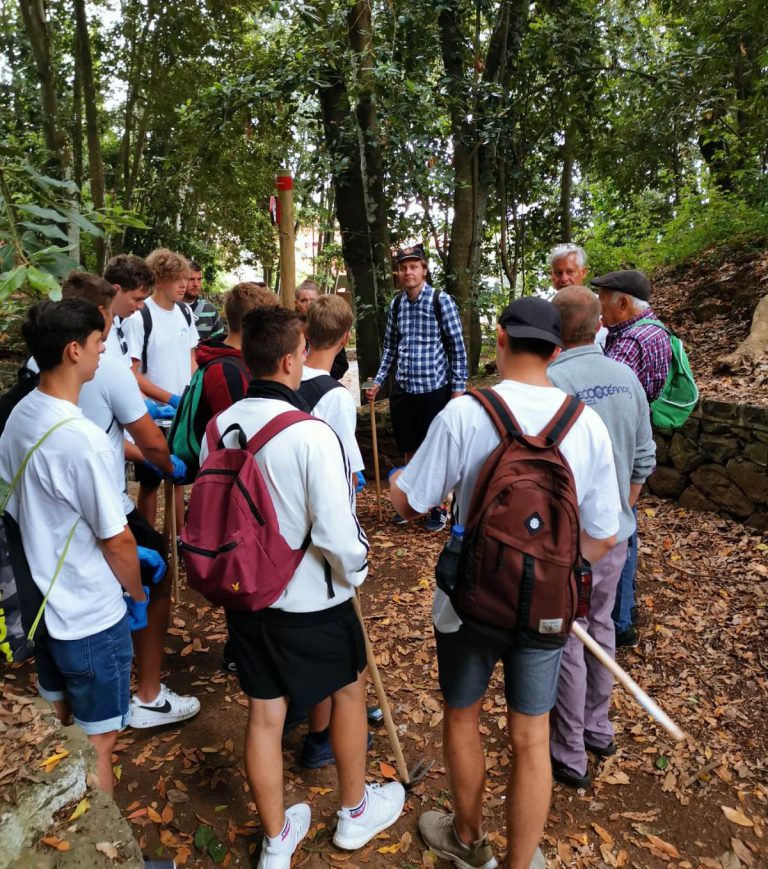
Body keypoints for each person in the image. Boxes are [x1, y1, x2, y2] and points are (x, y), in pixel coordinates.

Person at [389, 297, 620, 869]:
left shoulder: (467, 413)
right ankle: (520, 862)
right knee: (531, 737)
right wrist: (551, 574)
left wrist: (400, 479)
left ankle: (469, 841)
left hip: (469, 601)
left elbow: (409, 502)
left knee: (463, 714)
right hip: (546, 609)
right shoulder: (583, 424)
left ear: (499, 338)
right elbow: (602, 537)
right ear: (558, 351)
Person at [201, 306, 404, 869]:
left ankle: (275, 839)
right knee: (346, 692)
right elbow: (338, 535)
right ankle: (355, 809)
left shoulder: (219, 427)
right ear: (291, 359)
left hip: (246, 594)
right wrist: (357, 568)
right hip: (312, 598)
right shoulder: (311, 433)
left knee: (265, 713)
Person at [0, 299, 147, 794]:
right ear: (72, 350)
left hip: (42, 608)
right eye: (98, 343)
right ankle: (104, 849)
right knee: (98, 743)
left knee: (64, 730)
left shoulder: (22, 412)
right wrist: (137, 593)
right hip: (88, 615)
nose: (103, 351)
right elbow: (117, 539)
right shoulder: (79, 438)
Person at [59, 273, 200, 729]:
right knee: (153, 573)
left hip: (64, 504)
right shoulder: (110, 366)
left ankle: (67, 699)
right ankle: (148, 694)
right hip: (102, 498)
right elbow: (140, 437)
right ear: (101, 311)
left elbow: (103, 433)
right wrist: (165, 458)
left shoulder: (37, 376)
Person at [548, 286, 655, 788]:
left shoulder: (549, 382)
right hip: (613, 535)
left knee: (570, 636)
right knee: (603, 627)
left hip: (566, 540)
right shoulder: (626, 377)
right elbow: (643, 457)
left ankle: (570, 750)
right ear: (599, 324)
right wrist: (622, 513)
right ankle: (597, 726)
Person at [296, 293, 365, 768]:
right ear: (344, 338)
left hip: (288, 519)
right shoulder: (336, 397)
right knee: (331, 631)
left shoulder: (283, 379)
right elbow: (341, 468)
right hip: (323, 524)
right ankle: (323, 733)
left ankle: (304, 710)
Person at [591, 269, 671, 646]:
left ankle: (616, 621)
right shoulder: (655, 331)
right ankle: (620, 617)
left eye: (604, 298)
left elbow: (606, 395)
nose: (599, 306)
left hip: (616, 450)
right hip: (633, 444)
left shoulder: (630, 343)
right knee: (627, 529)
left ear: (623, 302)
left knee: (616, 533)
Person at [366, 244, 468, 531]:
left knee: (435, 450)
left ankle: (439, 507)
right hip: (404, 389)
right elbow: (390, 348)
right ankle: (412, 503)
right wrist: (378, 381)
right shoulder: (396, 304)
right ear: (399, 272)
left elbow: (457, 349)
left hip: (435, 389)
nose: (408, 271)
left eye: (414, 266)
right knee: (409, 450)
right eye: (404, 267)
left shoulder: (440, 301)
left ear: (424, 270)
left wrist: (458, 391)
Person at [122, 248, 198, 526]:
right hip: (152, 415)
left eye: (186, 278)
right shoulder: (140, 317)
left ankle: (178, 538)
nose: (183, 285)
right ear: (159, 279)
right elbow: (132, 373)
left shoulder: (185, 312)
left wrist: (193, 394)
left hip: (181, 413)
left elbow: (191, 358)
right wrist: (169, 398)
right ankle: (152, 538)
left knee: (179, 480)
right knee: (151, 481)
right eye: (176, 278)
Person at [103, 254, 154, 365]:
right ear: (115, 290)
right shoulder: (93, 332)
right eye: (137, 299)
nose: (141, 306)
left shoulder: (116, 323)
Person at [295, 280, 349, 381]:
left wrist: (321, 377)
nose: (308, 304)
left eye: (312, 300)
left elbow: (341, 365)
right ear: (296, 303)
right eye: (303, 300)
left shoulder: (329, 325)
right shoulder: (289, 328)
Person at [184, 260, 226, 343]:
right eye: (191, 279)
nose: (196, 284)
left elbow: (219, 344)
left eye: (199, 279)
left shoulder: (211, 310)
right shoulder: (170, 308)